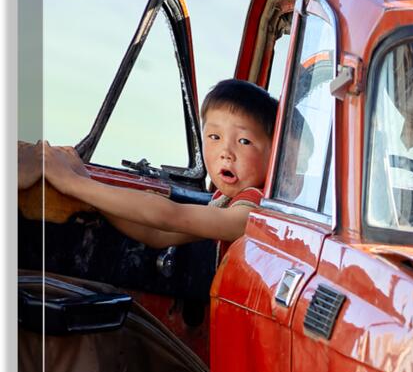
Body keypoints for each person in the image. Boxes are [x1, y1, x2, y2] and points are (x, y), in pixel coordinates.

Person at [41, 79, 279, 258]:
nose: (225, 151)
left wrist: (73, 184)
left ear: (274, 153)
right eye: (214, 137)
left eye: (244, 141)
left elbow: (171, 216)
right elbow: (157, 235)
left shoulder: (254, 213)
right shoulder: (225, 201)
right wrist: (90, 191)